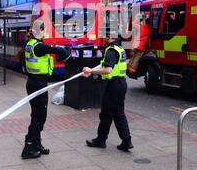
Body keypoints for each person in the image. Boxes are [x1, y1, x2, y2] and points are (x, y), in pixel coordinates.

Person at [21, 19, 71, 159]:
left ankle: (37, 143)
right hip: (37, 83)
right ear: (39, 31)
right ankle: (29, 147)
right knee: (39, 116)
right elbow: (55, 50)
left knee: (37, 114)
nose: (46, 32)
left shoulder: (30, 44)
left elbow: (49, 48)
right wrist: (66, 50)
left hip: (33, 82)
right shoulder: (38, 46)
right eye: (44, 30)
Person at [82, 34, 133, 152]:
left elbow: (108, 69)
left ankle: (101, 140)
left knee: (106, 113)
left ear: (111, 37)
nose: (103, 38)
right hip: (121, 84)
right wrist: (92, 71)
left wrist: (91, 70)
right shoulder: (119, 48)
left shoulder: (110, 50)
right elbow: (106, 65)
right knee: (118, 113)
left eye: (105, 35)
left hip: (113, 86)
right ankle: (126, 141)